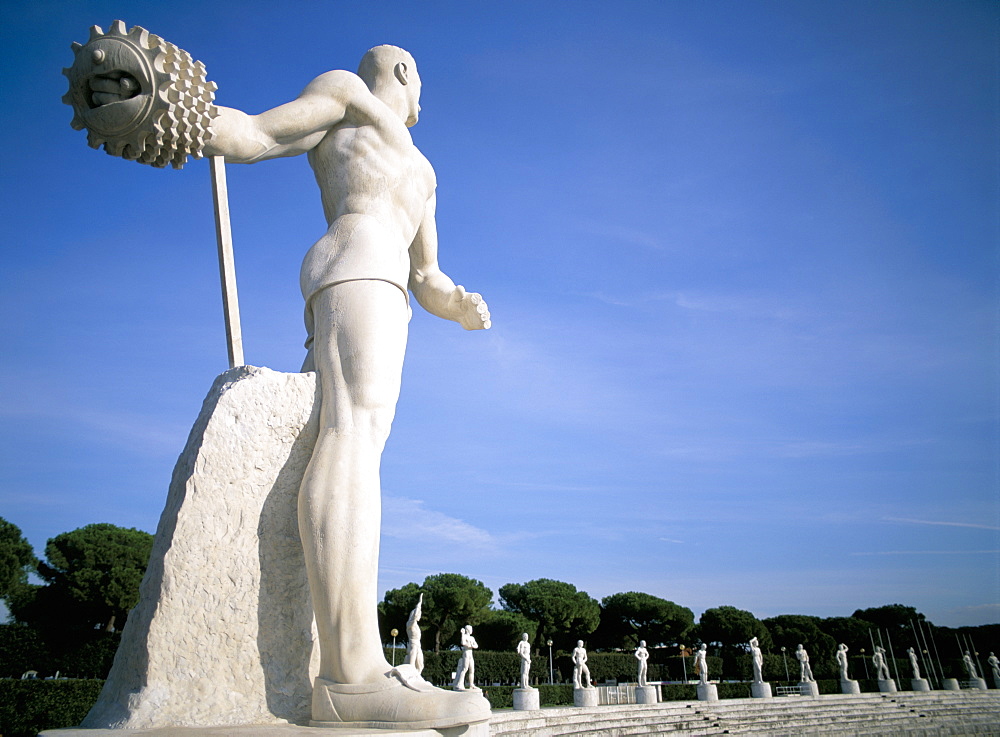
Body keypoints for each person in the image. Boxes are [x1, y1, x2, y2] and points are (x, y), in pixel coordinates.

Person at [191, 44, 490, 728]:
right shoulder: (350, 95)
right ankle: (349, 673)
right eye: (422, 87)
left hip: (386, 283)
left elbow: (430, 274)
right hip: (355, 260)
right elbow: (260, 134)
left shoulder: (422, 170)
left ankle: (334, 655)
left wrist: (460, 306)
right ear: (406, 73)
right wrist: (181, 116)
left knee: (345, 438)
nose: (423, 105)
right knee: (350, 437)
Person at [453, 625, 480, 690]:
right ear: (467, 630)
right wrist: (462, 634)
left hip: (470, 654)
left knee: (472, 669)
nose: (472, 630)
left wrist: (471, 645)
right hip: (466, 653)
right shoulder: (464, 636)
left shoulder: (472, 638)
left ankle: (471, 684)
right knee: (465, 668)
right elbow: (463, 642)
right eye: (471, 629)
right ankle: (459, 684)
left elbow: (476, 645)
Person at [404, 593, 424, 674]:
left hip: (418, 645)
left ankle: (416, 675)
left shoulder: (416, 625)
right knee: (412, 663)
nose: (420, 616)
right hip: (413, 644)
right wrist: (420, 602)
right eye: (420, 615)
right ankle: (411, 674)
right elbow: (416, 614)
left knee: (420, 663)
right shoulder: (410, 624)